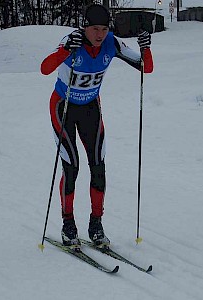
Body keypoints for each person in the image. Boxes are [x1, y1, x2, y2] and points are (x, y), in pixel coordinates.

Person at [40, 4, 153, 249]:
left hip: (91, 108)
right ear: (85, 27)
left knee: (98, 167)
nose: (99, 34)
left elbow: (146, 67)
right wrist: (66, 50)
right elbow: (44, 68)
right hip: (64, 107)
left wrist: (145, 48)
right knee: (72, 167)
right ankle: (68, 223)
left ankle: (96, 224)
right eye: (94, 29)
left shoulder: (111, 43)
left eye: (103, 29)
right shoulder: (72, 40)